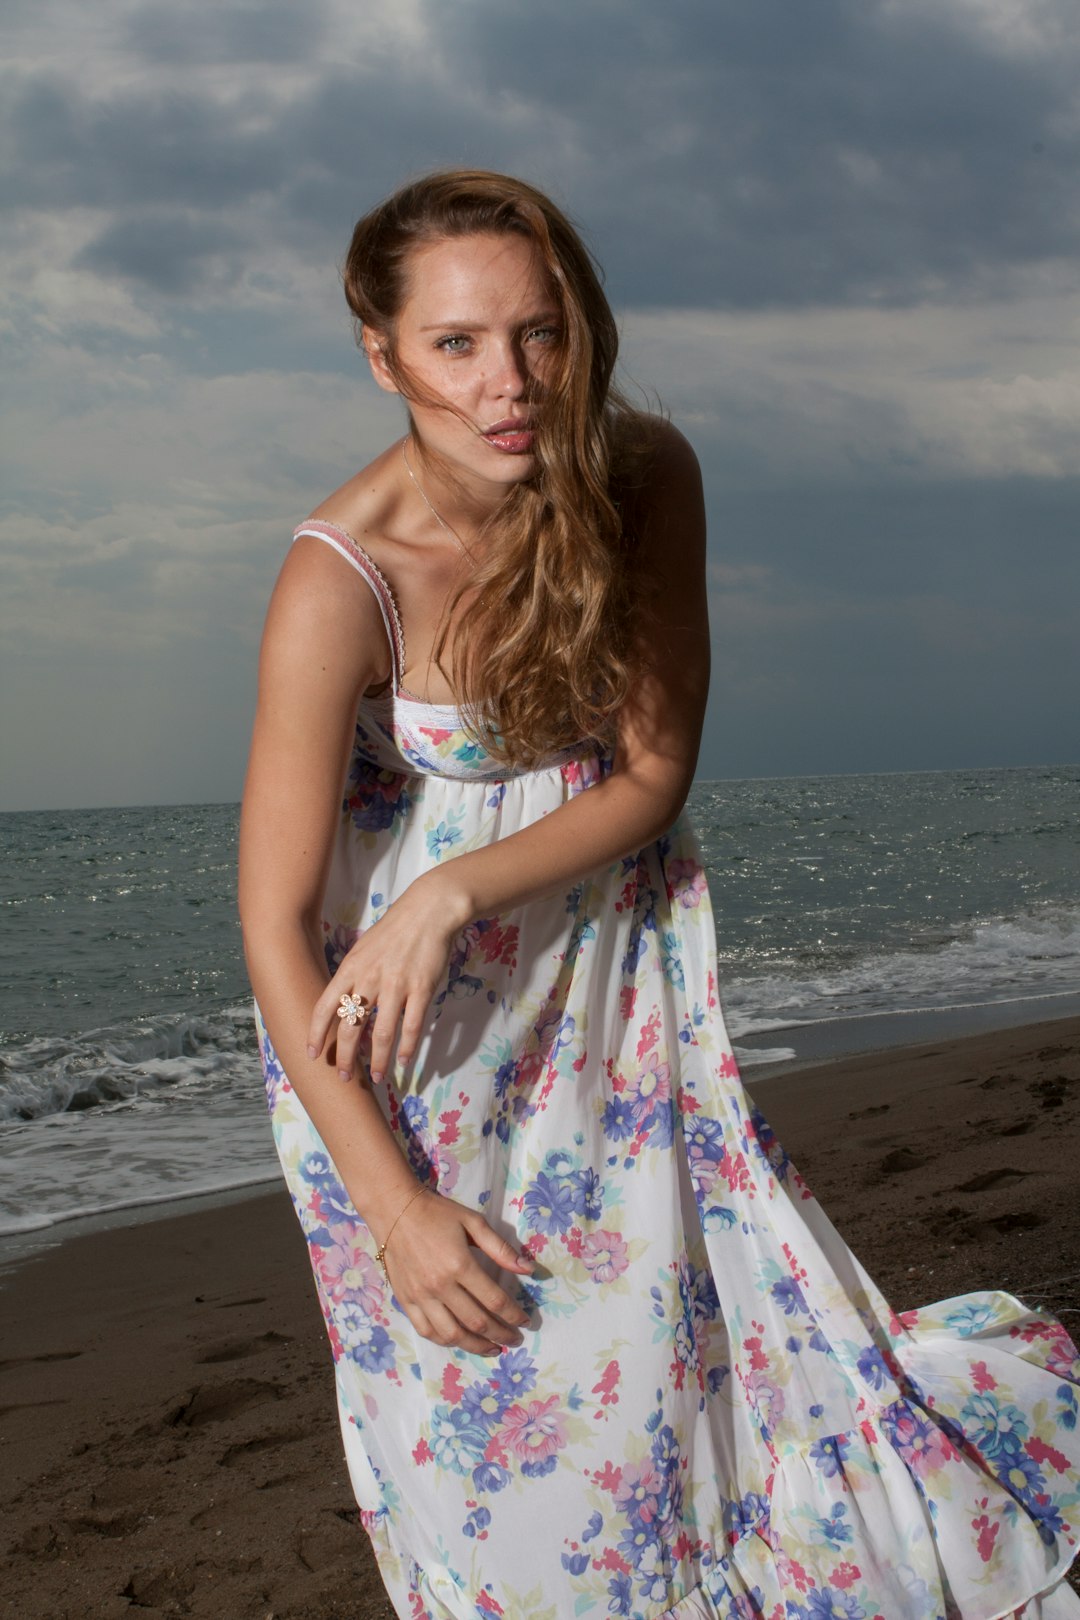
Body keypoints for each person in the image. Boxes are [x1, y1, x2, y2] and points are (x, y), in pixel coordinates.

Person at [238, 171, 1080, 1620]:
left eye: (541, 332)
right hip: (393, 1057)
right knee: (481, 1433)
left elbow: (651, 772)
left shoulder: (643, 478)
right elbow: (269, 927)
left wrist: (449, 890)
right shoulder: (343, 576)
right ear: (380, 353)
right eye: (455, 345)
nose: (509, 384)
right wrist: (391, 1209)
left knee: (658, 1387)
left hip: (603, 1000)